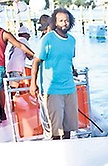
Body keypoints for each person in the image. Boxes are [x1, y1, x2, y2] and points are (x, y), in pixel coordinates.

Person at [29, 8, 78, 140]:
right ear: (55, 23)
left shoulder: (72, 40)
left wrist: (73, 70)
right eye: (61, 20)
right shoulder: (47, 39)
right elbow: (36, 61)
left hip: (70, 88)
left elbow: (68, 59)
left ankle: (68, 149)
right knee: (56, 129)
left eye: (67, 20)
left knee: (69, 127)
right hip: (52, 89)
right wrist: (32, 84)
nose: (64, 23)